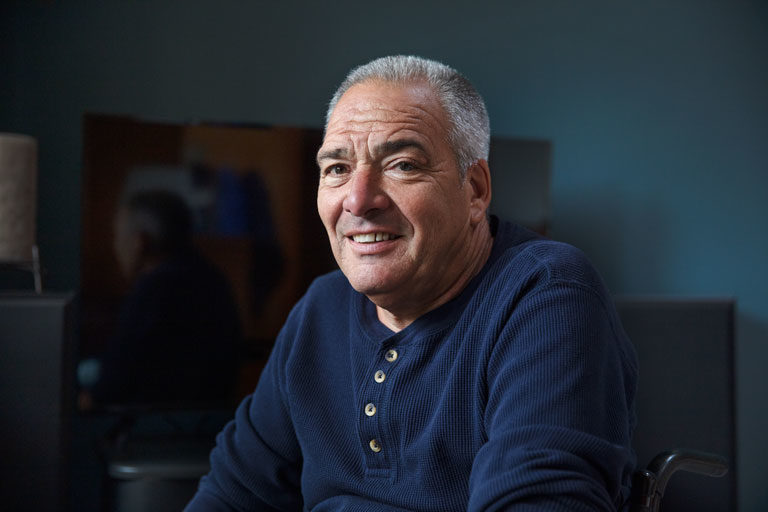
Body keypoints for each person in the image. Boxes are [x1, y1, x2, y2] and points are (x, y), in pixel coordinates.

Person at [185, 55, 638, 511]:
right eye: (337, 169)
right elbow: (232, 495)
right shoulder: (320, 307)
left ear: (475, 189)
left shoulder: (545, 294)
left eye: (402, 164)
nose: (359, 200)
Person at [80, 189, 240, 409]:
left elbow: (113, 382)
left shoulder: (155, 290)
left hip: (152, 429)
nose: (115, 246)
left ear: (139, 242)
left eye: (117, 236)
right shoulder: (212, 277)